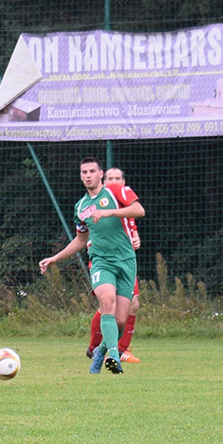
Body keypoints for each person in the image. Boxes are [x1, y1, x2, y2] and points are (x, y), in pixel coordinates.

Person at [39, 157, 144, 374]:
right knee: (106, 302)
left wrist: (110, 212)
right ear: (80, 176)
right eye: (84, 172)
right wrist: (55, 258)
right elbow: (80, 239)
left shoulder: (116, 191)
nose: (88, 176)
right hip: (101, 262)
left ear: (100, 174)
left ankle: (100, 351)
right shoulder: (81, 207)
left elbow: (139, 210)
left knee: (120, 321)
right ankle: (113, 356)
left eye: (92, 171)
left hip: (126, 261)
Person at [86, 167, 141, 364]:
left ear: (123, 182)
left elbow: (132, 228)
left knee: (132, 305)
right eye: (110, 178)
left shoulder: (125, 206)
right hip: (103, 261)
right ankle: (96, 349)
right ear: (103, 181)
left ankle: (119, 349)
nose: (114, 182)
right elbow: (87, 233)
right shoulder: (94, 204)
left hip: (124, 262)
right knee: (107, 306)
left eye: (118, 178)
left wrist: (136, 239)